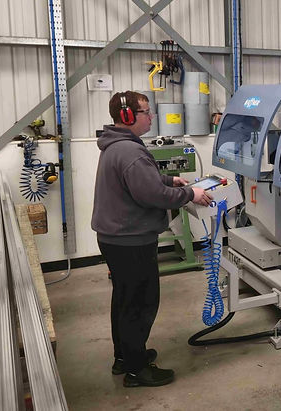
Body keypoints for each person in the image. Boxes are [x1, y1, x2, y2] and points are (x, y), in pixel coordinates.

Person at [91, 91, 212, 388]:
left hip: (116, 237)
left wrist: (170, 180)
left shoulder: (118, 145)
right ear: (128, 116)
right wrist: (190, 193)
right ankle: (137, 371)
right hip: (130, 239)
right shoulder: (130, 151)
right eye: (146, 112)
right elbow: (152, 195)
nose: (151, 117)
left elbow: (139, 181)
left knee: (124, 300)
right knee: (140, 304)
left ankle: (125, 357)